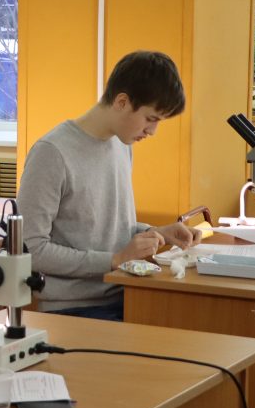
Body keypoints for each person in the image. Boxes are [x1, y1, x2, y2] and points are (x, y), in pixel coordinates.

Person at [16, 50, 203, 321]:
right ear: (122, 102)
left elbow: (103, 229)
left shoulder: (121, 143)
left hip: (126, 293)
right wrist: (115, 260)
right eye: (151, 119)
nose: (152, 131)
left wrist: (155, 233)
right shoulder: (52, 153)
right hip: (75, 309)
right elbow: (30, 250)